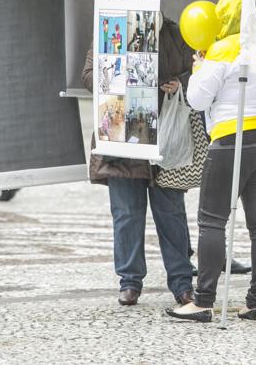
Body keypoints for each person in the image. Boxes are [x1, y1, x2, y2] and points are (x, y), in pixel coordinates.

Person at [166, 51, 256, 323]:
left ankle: (203, 302)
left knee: (212, 221)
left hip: (231, 138)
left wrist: (199, 69)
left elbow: (197, 99)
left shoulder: (223, 50)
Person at [83, 16, 195, 307]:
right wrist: (117, 75)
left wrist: (180, 83)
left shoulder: (174, 32)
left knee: (171, 214)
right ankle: (130, 281)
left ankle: (182, 283)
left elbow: (196, 69)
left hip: (165, 140)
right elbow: (88, 76)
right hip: (122, 136)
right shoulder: (111, 27)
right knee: (126, 214)